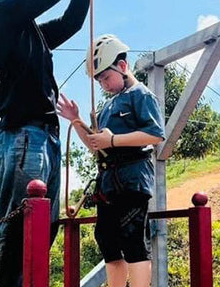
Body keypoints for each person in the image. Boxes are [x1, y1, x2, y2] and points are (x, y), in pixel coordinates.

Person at [0, 0, 115, 287]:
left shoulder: (31, 33)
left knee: (44, 230)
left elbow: (71, 21)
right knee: (20, 232)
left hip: (42, 138)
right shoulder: (4, 16)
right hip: (23, 137)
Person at [57, 34, 165, 287]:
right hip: (108, 184)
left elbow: (155, 134)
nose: (103, 84)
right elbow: (96, 146)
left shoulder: (142, 95)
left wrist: (113, 140)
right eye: (99, 80)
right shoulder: (107, 106)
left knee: (132, 239)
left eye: (106, 77)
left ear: (123, 67)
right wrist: (76, 119)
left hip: (132, 180)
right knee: (106, 239)